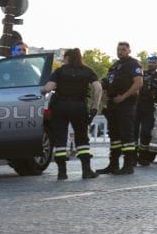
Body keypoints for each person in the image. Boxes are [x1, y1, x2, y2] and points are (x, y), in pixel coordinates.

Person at [42, 48, 102, 180]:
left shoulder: (60, 71)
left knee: (60, 139)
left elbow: (48, 88)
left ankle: (62, 173)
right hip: (79, 107)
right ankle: (86, 171)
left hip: (60, 107)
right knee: (82, 139)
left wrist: (39, 89)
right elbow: (98, 89)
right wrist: (94, 107)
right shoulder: (87, 71)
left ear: (67, 58)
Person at [100, 41, 143, 175]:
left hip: (126, 104)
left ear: (129, 50)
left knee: (126, 135)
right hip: (113, 105)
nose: (120, 52)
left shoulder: (133, 64)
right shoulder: (114, 66)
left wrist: (123, 97)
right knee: (114, 136)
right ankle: (113, 164)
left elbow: (138, 83)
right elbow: (107, 83)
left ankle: (128, 165)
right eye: (119, 50)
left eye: (123, 50)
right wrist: (104, 96)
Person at [136, 54, 157, 166]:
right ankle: (132, 157)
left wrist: (155, 85)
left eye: (153, 62)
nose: (151, 64)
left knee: (146, 132)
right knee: (133, 132)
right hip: (137, 105)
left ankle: (143, 156)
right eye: (150, 62)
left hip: (149, 106)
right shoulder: (141, 74)